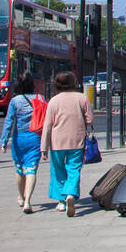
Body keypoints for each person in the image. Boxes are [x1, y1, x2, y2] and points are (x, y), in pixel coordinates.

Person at [39, 71, 94, 217]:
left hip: (56, 142)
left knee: (57, 170)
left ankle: (61, 202)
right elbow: (90, 120)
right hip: (77, 140)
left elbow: (47, 125)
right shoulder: (81, 98)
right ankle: (70, 194)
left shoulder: (53, 101)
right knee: (74, 169)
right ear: (74, 83)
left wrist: (43, 147)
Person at [0, 74, 46, 213]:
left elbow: (9, 122)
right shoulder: (41, 98)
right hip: (36, 137)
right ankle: (28, 201)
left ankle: (20, 196)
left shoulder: (15, 101)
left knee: (19, 169)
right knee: (31, 169)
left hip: (19, 138)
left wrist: (4, 141)